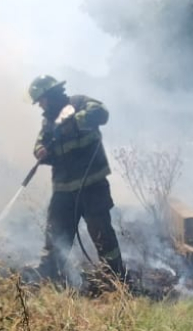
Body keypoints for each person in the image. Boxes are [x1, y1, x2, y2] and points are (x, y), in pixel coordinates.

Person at [27, 74, 127, 288]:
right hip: (63, 191)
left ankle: (117, 280)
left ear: (51, 94)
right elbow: (39, 144)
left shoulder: (80, 103)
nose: (40, 106)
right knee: (56, 236)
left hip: (93, 186)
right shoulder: (48, 123)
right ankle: (51, 280)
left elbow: (102, 113)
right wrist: (41, 151)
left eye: (41, 100)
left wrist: (74, 122)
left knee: (102, 235)